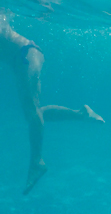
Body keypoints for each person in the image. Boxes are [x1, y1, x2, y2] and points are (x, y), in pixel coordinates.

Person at [0, 15, 105, 195]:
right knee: (33, 114)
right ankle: (82, 113)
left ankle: (37, 162)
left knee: (33, 114)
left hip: (26, 54)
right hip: (23, 57)